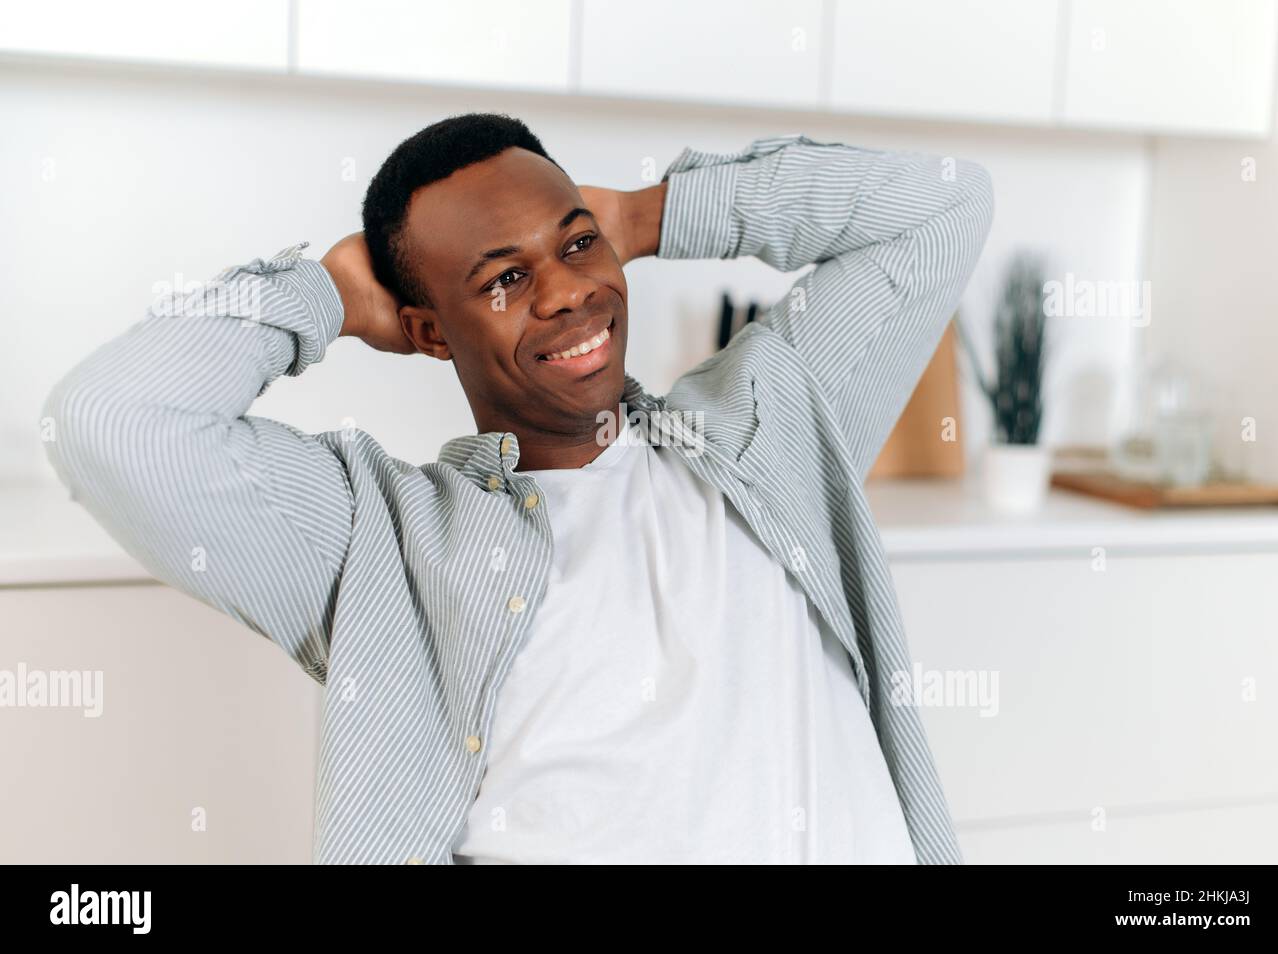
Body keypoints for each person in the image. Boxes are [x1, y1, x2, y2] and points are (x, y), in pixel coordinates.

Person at [42, 112, 994, 864]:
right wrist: (326, 294)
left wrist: (647, 215)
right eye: (502, 279)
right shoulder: (383, 542)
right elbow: (109, 422)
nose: (566, 293)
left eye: (576, 247)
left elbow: (945, 203)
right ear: (427, 331)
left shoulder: (768, 426)